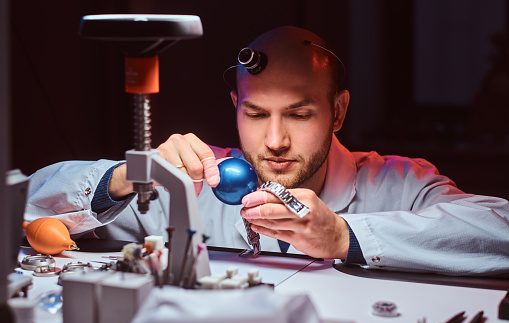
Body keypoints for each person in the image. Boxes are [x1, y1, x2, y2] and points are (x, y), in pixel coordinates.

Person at [26, 26, 509, 276]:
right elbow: (22, 203)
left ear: (337, 112)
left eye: (299, 115)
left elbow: (498, 230)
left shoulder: (397, 183)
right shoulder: (197, 179)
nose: (275, 141)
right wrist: (120, 180)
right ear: (236, 107)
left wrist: (343, 236)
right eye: (256, 115)